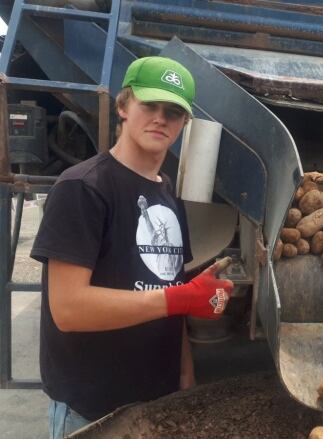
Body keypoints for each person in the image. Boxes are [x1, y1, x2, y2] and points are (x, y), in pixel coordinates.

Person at [31, 56, 234, 438]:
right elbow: (68, 309)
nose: (161, 118)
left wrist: (185, 379)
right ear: (123, 107)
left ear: (184, 124)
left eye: (173, 111)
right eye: (150, 105)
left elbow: (173, 293)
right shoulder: (83, 188)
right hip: (93, 412)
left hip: (159, 405)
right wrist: (181, 299)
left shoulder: (167, 192)